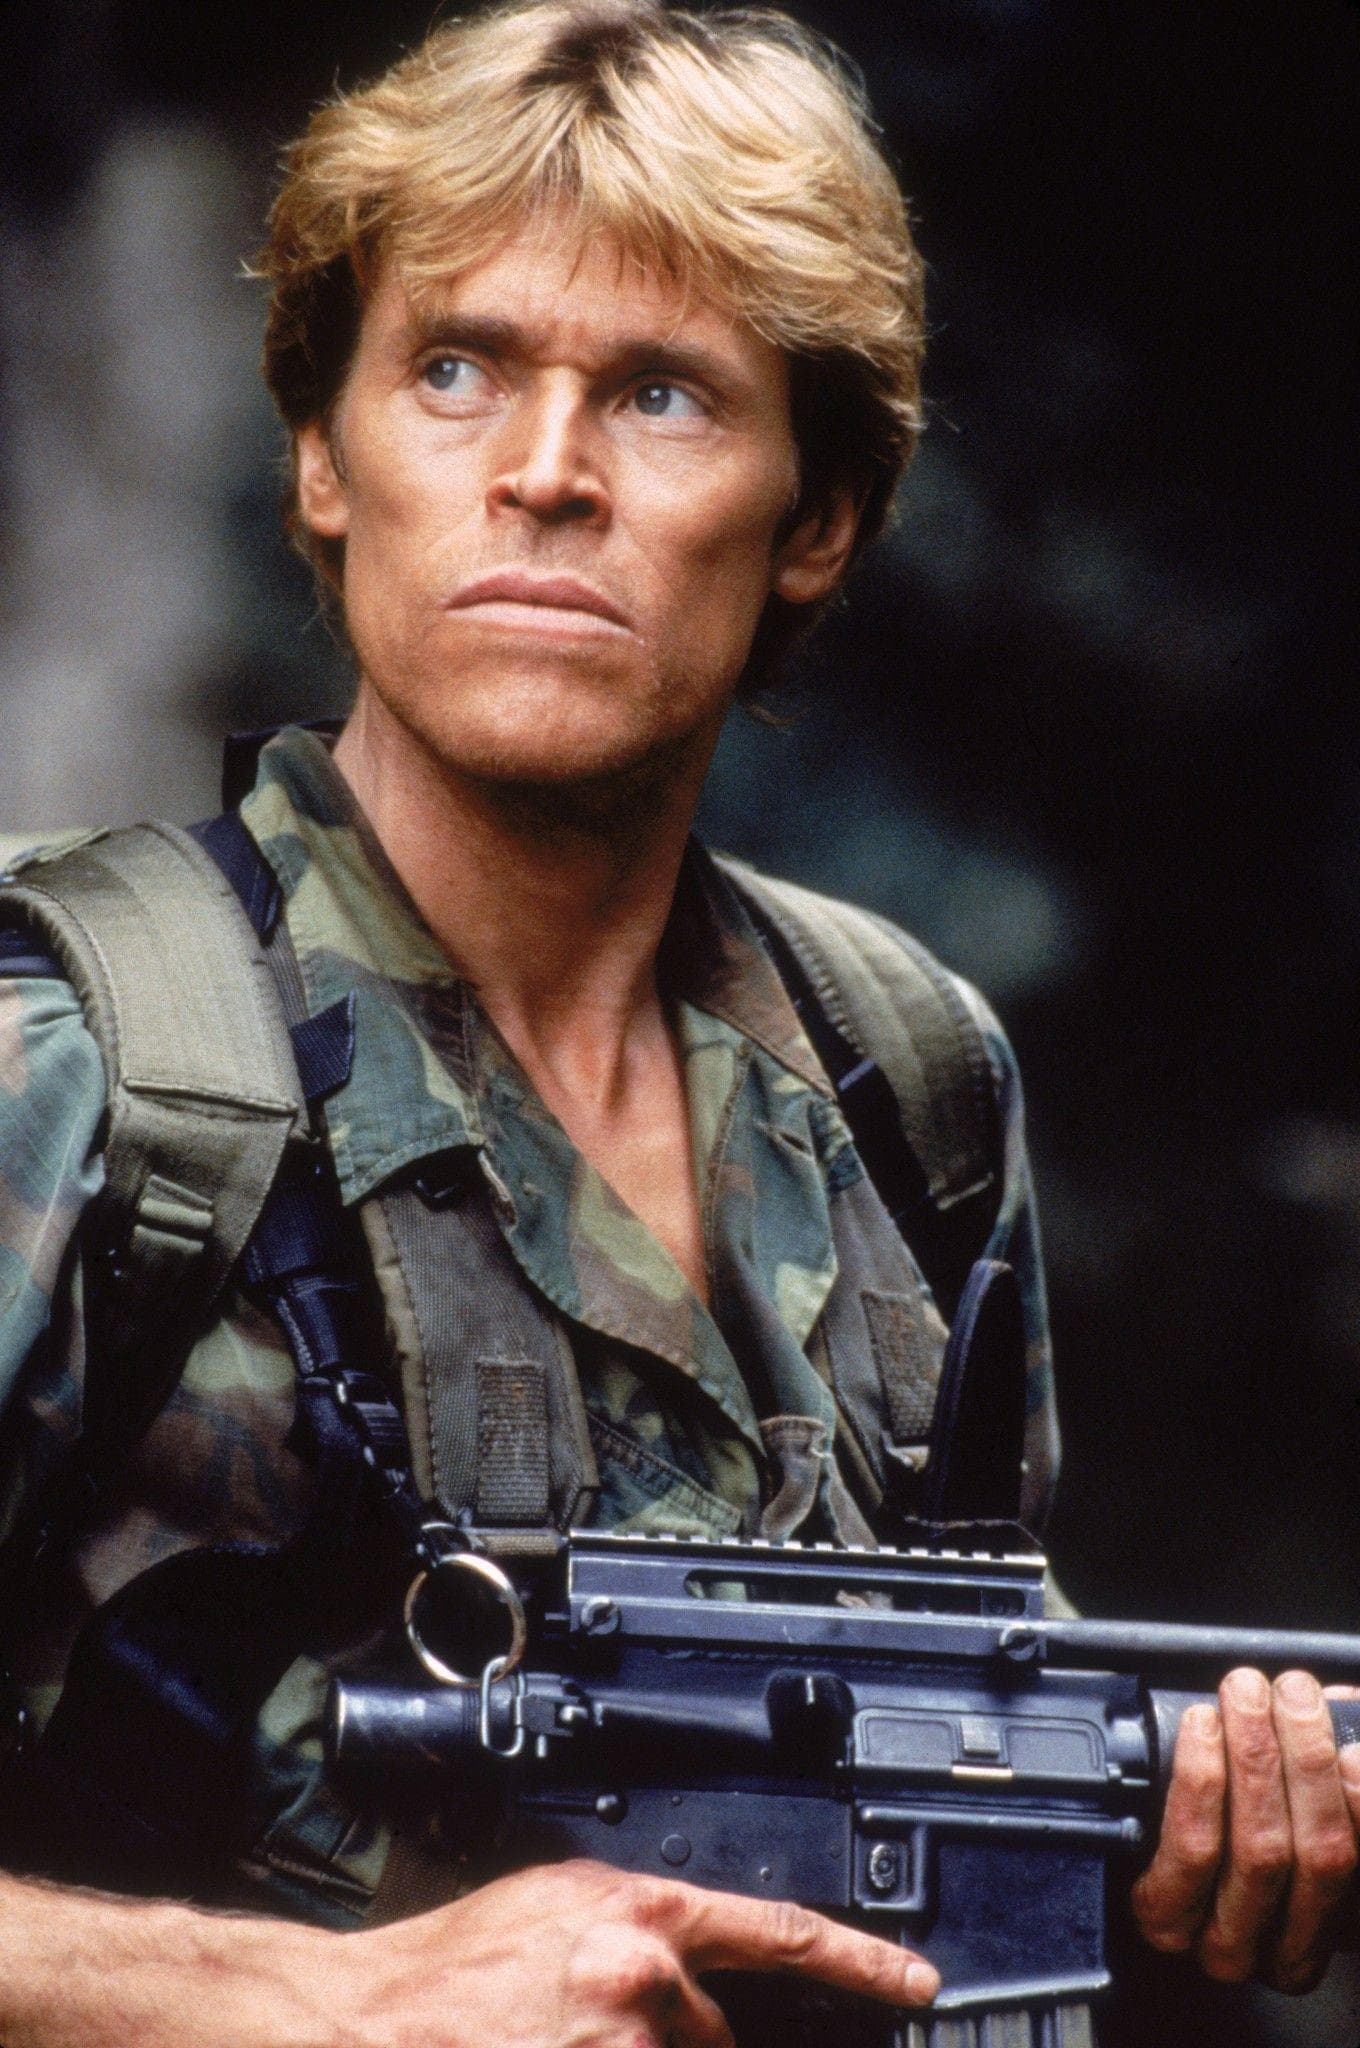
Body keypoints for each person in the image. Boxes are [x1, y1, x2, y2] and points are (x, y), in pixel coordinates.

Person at [0, 4, 1356, 2043]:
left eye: (659, 393)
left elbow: (955, 1744)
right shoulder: (80, 1059)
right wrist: (323, 2002)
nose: (544, 474)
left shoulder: (899, 1075)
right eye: (453, 370)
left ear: (814, 517)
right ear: (323, 460)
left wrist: (1205, 1835)